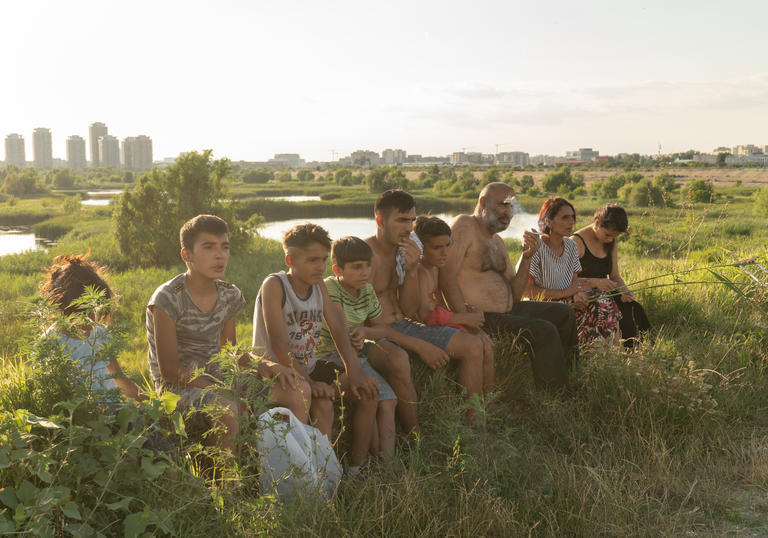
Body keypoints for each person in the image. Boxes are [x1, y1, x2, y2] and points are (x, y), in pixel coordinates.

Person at [147, 214, 308, 455]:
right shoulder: (168, 297)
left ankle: (293, 467)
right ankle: (228, 486)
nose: (220, 255)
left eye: (225, 247)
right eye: (209, 247)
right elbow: (169, 369)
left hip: (217, 373)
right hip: (177, 384)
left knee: (298, 390)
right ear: (187, 255)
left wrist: (264, 364)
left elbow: (230, 352)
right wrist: (217, 389)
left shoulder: (229, 294)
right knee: (228, 407)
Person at [252, 223, 380, 473]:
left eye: (323, 260)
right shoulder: (275, 285)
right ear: (290, 259)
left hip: (309, 366)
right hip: (277, 370)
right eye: (312, 260)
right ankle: (309, 475)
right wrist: (310, 383)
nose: (319, 267)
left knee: (367, 390)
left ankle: (355, 468)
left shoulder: (318, 286)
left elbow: (338, 329)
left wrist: (354, 371)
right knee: (315, 399)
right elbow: (278, 344)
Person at [438, 183, 577, 390]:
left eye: (511, 207)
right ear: (483, 203)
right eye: (503, 205)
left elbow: (515, 294)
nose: (508, 212)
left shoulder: (498, 243)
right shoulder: (464, 225)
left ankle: (571, 374)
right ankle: (555, 395)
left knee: (564, 313)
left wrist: (527, 256)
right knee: (544, 330)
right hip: (481, 316)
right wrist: (465, 320)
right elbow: (445, 276)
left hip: (507, 310)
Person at [365, 189, 486, 424]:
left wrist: (411, 270)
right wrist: (421, 346)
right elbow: (370, 322)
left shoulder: (406, 250)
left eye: (411, 220)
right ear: (380, 221)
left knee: (473, 345)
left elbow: (408, 311)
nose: (409, 227)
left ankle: (474, 424)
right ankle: (415, 439)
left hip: (403, 325)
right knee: (398, 359)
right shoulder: (366, 255)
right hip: (377, 334)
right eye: (401, 220)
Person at [315, 236, 398, 460]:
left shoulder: (367, 291)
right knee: (371, 393)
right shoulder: (330, 288)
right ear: (337, 269)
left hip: (357, 354)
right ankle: (365, 460)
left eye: (368, 265)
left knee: (388, 400)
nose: (365, 272)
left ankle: (387, 463)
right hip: (332, 355)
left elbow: (382, 329)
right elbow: (338, 328)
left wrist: (365, 332)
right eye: (356, 267)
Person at [40, 253, 144, 404]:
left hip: (113, 411)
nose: (95, 317)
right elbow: (53, 396)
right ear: (67, 308)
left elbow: (120, 379)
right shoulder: (52, 342)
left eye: (99, 310)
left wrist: (151, 402)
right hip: (80, 416)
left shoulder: (100, 334)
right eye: (88, 312)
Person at [413, 215, 495, 394]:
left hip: (442, 319)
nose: (444, 253)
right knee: (477, 345)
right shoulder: (419, 273)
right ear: (420, 247)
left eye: (447, 246)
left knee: (488, 347)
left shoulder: (435, 266)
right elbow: (425, 316)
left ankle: (489, 402)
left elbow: (438, 303)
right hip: (425, 327)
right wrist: (465, 318)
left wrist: (466, 312)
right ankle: (473, 411)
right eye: (437, 247)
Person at [523, 197, 621, 346]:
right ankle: (590, 350)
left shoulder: (570, 245)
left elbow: (574, 281)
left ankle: (601, 351)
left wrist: (578, 294)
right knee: (599, 303)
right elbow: (526, 291)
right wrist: (567, 293)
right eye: (565, 217)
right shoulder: (537, 247)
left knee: (604, 299)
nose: (571, 222)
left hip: (566, 299)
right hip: (541, 304)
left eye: (572, 217)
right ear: (548, 221)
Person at [571, 204, 651, 348]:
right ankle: (613, 351)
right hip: (583, 293)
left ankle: (637, 349)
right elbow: (569, 280)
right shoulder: (576, 242)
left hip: (605, 292)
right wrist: (596, 283)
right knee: (610, 308)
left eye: (614, 236)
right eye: (607, 235)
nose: (610, 239)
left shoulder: (611, 242)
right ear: (596, 223)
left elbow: (614, 276)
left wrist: (625, 291)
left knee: (633, 308)